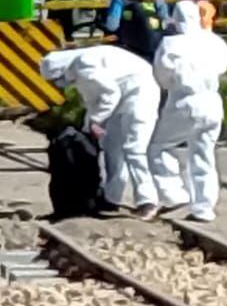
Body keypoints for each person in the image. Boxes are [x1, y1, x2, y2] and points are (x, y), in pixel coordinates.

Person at [41, 44, 161, 218]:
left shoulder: (85, 65)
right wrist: (88, 126)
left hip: (141, 95)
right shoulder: (78, 70)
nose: (58, 84)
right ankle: (112, 198)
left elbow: (110, 94)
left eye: (56, 79)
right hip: (123, 97)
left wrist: (95, 121)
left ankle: (147, 201)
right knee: (112, 148)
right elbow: (93, 101)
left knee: (134, 149)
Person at [149, 0, 227, 223]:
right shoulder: (214, 41)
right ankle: (204, 207)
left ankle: (174, 193)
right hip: (213, 101)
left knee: (158, 147)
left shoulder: (170, 44)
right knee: (203, 154)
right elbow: (223, 66)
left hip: (184, 100)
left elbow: (161, 77)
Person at [105, 0, 170, 62]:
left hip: (127, 47)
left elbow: (111, 26)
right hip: (156, 50)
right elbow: (166, 25)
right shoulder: (158, 0)